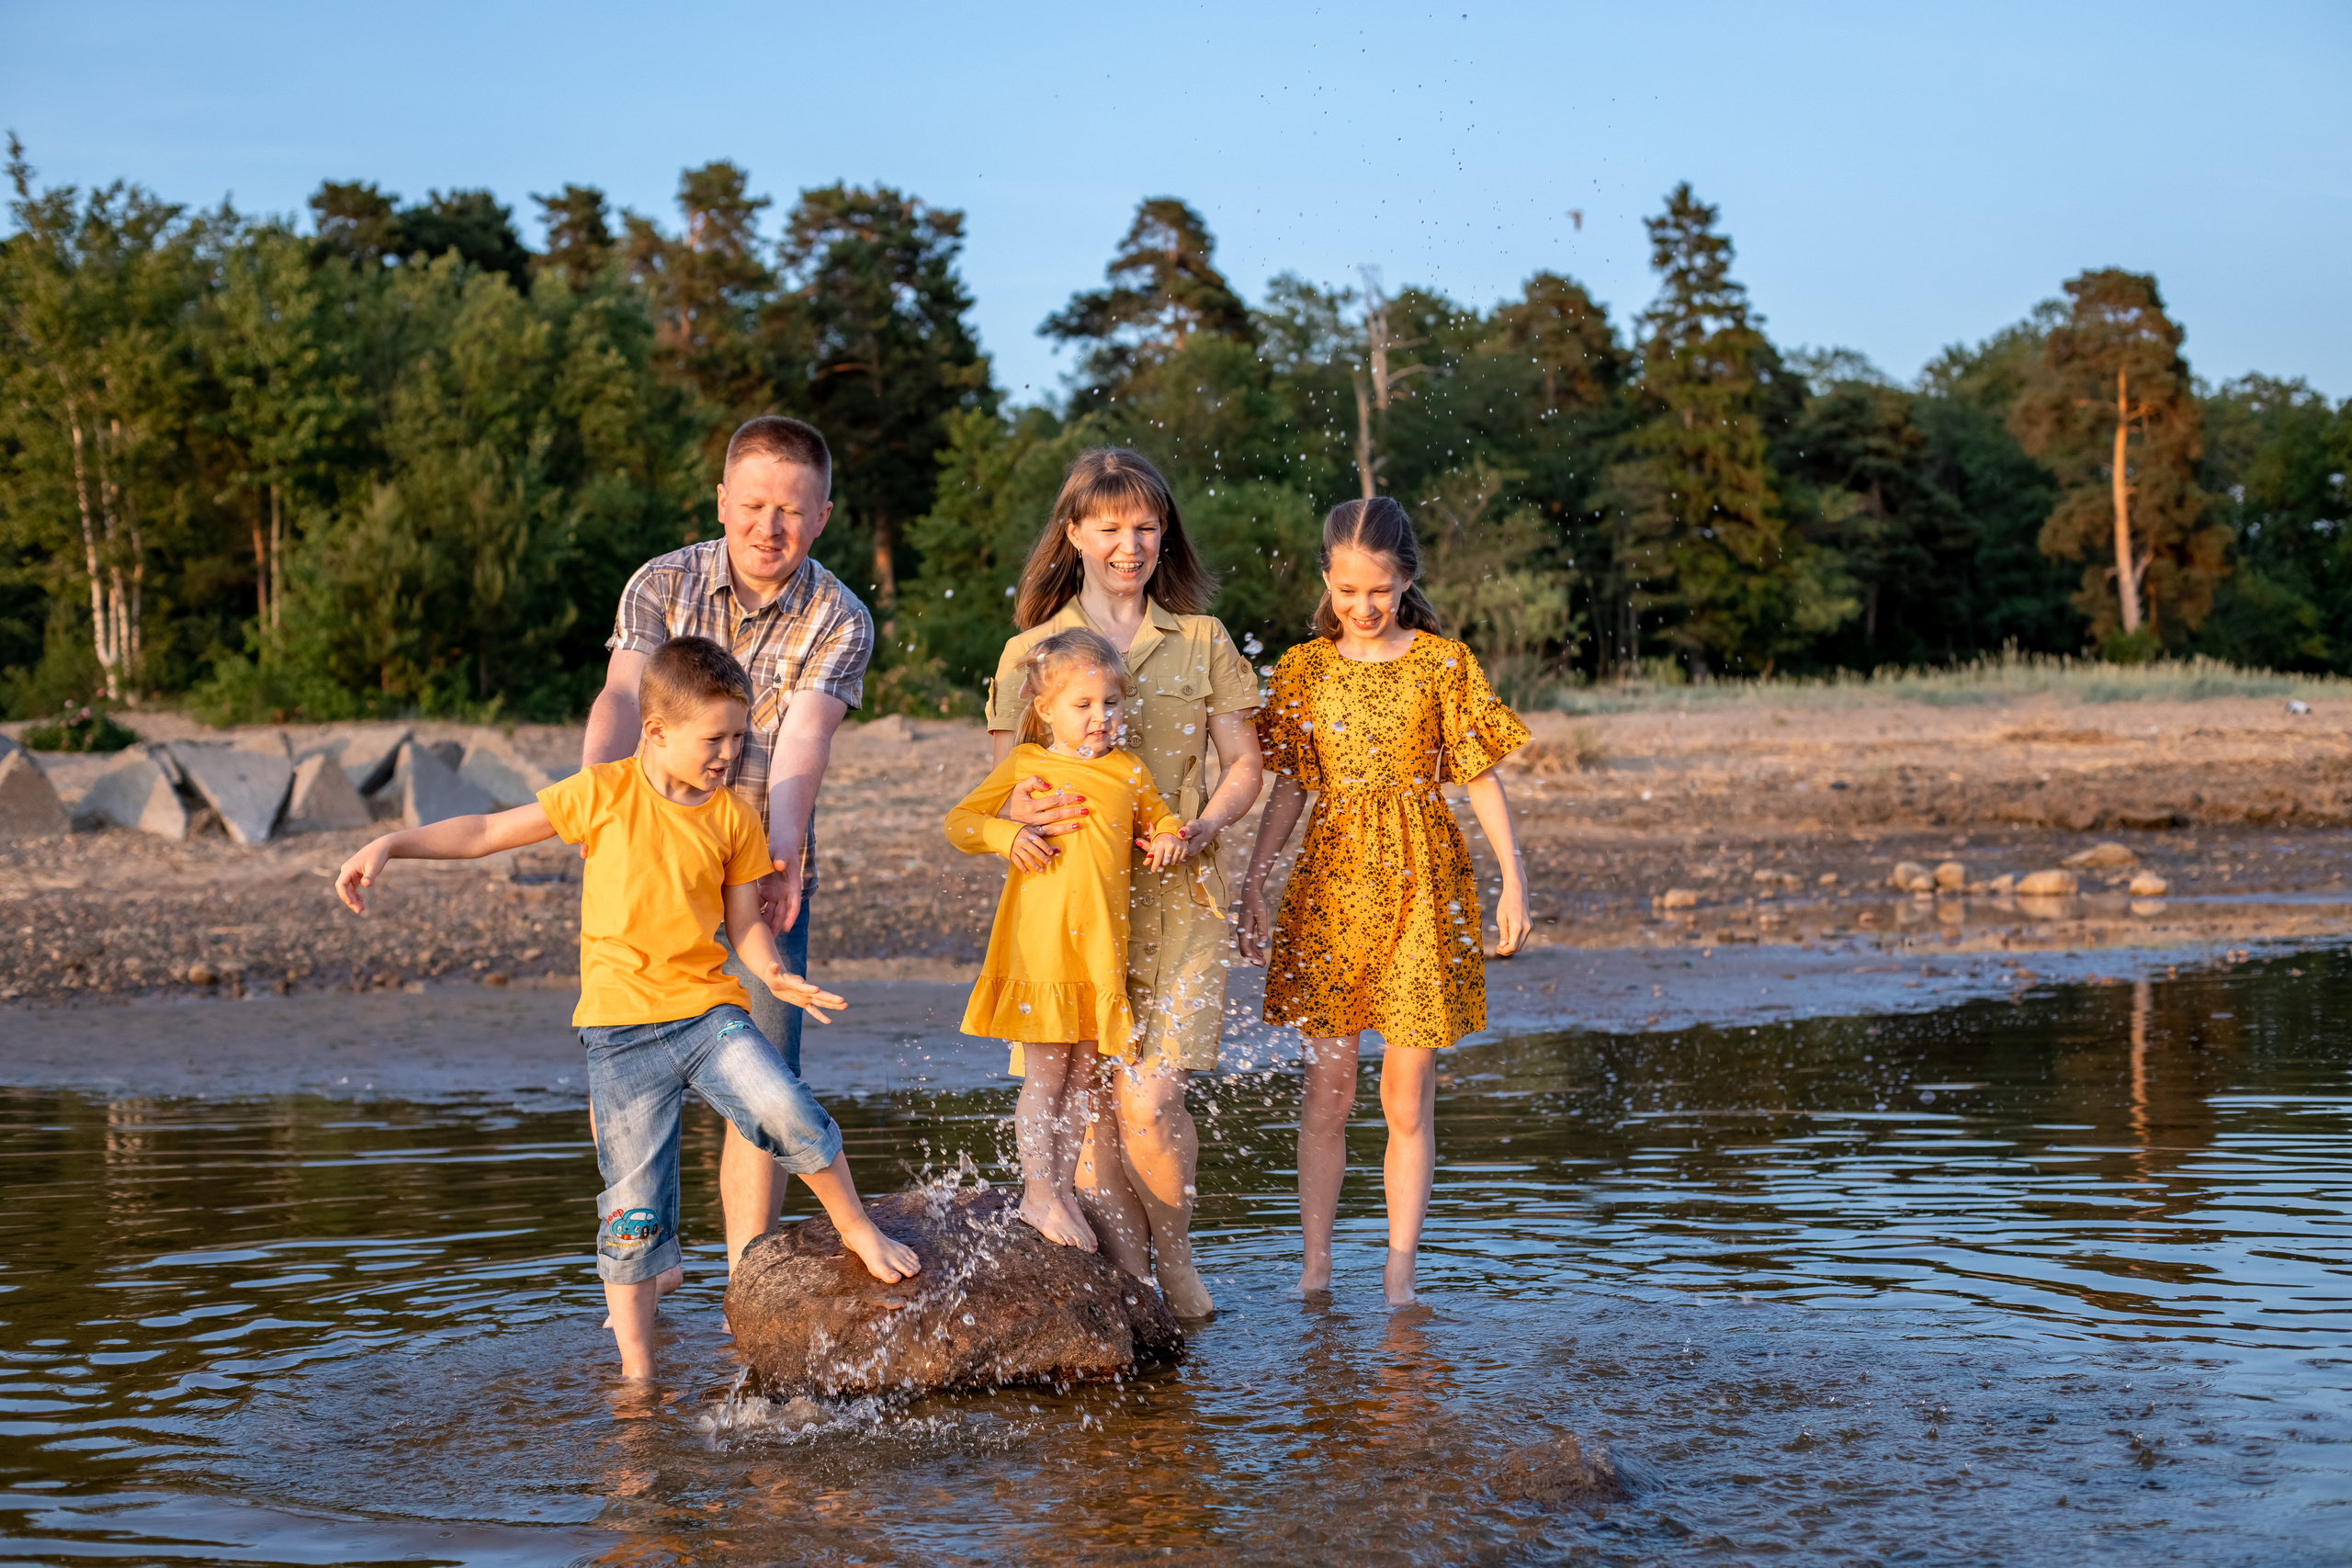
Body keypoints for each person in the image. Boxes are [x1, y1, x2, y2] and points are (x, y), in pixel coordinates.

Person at [334, 637, 918, 1378]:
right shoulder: (602, 792)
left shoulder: (735, 819)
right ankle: (639, 1380)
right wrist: (391, 842)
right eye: (715, 738)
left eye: (740, 738)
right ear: (657, 732)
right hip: (620, 1037)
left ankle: (858, 1227)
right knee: (633, 1213)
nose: (729, 753)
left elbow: (743, 926)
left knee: (786, 1107)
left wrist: (776, 972)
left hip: (709, 1015)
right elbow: (486, 831)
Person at [583, 415, 871, 1282]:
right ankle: (644, 1267)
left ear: (822, 514)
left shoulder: (837, 613)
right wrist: (599, 804)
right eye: (751, 505)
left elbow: (804, 740)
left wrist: (783, 853)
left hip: (756, 871)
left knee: (763, 1077)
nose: (768, 527)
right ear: (722, 501)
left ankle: (748, 1281)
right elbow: (621, 701)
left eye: (791, 510)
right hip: (645, 868)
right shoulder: (661, 582)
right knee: (630, 1068)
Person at [984, 449, 1262, 1318]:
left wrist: (1207, 826)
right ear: (1074, 533)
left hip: (1182, 897)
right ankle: (1131, 1280)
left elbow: (1245, 765)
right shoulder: (1029, 653)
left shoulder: (1204, 639)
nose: (1129, 544)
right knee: (1085, 1106)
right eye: (1109, 527)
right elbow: (1005, 786)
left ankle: (1176, 1261)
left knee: (1148, 1094)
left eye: (1145, 526)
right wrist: (1015, 834)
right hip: (1069, 908)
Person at [1237, 497, 1534, 1309]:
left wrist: (1513, 878)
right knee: (1327, 1091)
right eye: (1346, 591)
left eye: (1380, 590)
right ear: (1326, 580)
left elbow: (1480, 776)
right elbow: (1290, 785)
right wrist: (1255, 880)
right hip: (1329, 889)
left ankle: (1400, 1275)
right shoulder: (1300, 668)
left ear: (1407, 581)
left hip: (1422, 885)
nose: (1362, 607)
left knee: (1406, 1094)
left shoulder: (1444, 663)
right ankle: (1317, 1267)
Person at [948, 628, 1189, 1250]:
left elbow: (1159, 814)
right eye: (1082, 705)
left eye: (1110, 702)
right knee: (1046, 1076)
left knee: (1082, 1079)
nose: (1099, 717)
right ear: (1044, 707)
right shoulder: (1028, 764)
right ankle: (1037, 1191)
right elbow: (961, 822)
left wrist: (1168, 835)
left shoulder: (1129, 769)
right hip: (1042, 951)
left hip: (1097, 955)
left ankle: (1056, 1191)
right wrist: (1008, 833)